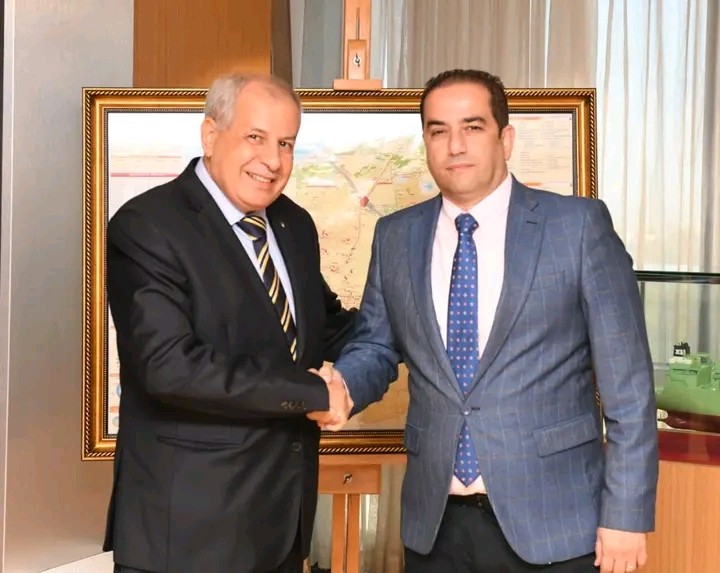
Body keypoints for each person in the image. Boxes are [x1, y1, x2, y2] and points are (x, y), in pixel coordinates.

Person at [316, 69, 658, 573]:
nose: (455, 145)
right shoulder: (395, 236)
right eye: (438, 131)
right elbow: (376, 346)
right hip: (435, 528)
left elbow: (628, 385)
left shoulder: (577, 227)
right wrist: (344, 387)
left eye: (473, 127)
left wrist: (626, 515)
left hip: (557, 526)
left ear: (506, 139)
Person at [104, 73, 355, 573]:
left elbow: (320, 326)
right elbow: (169, 367)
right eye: (255, 137)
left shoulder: (293, 223)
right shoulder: (148, 225)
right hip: (188, 538)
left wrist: (415, 324)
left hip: (281, 528)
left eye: (286, 143)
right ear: (210, 134)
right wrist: (312, 393)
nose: (273, 161)